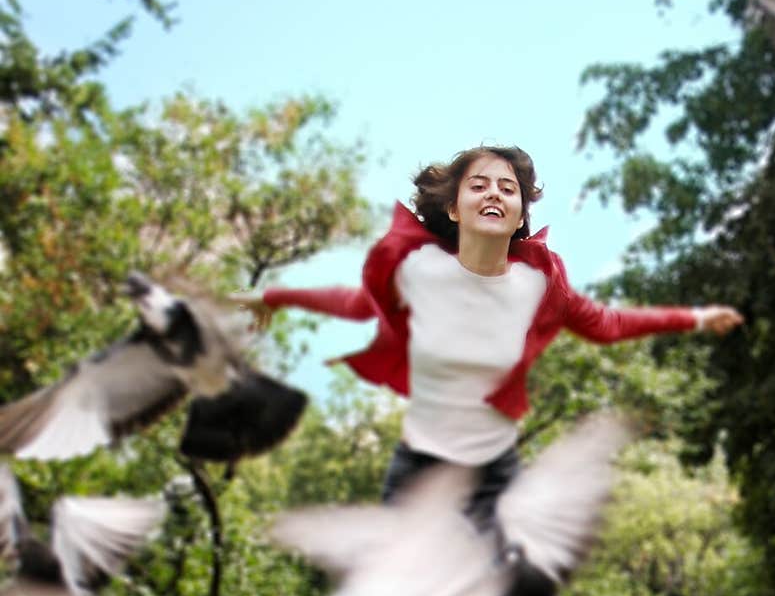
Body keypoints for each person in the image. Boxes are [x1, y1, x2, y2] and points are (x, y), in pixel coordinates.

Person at [236, 144, 743, 523]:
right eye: (479, 185)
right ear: (454, 209)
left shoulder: (539, 285)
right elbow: (355, 303)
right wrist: (276, 296)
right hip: (420, 468)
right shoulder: (420, 271)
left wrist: (695, 318)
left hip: (493, 474)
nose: (494, 193)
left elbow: (608, 325)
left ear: (521, 214)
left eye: (508, 188)